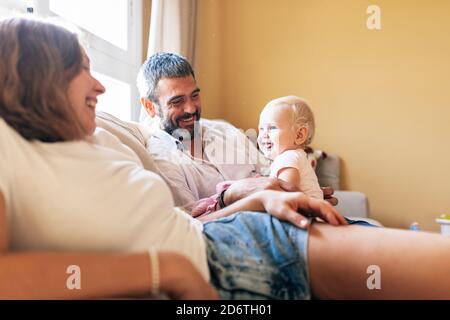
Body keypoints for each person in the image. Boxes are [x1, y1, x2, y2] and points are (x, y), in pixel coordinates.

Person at [2, 17, 450, 300]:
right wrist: (169, 264)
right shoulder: (15, 152)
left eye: (195, 95)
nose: (100, 87)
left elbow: (185, 224)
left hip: (251, 228)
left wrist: (269, 195)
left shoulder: (99, 142)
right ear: (41, 79)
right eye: (83, 68)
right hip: (235, 249)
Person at [136, 52, 336, 212]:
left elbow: (271, 172)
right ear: (149, 106)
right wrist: (229, 197)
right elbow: (189, 227)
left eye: (195, 96)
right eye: (177, 101)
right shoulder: (160, 159)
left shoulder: (224, 130)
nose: (191, 108)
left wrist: (304, 190)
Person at [258, 96, 323, 199]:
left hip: (304, 213)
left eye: (272, 128)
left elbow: (285, 196)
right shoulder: (295, 156)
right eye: (261, 129)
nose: (264, 134)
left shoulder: (287, 158)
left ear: (299, 135)